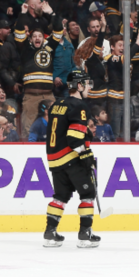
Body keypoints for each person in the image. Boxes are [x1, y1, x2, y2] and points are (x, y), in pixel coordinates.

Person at [43, 70, 101, 249]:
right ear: (79, 85)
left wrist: (87, 132)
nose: (89, 87)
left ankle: (49, 234)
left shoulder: (56, 104)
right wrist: (86, 156)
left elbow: (62, 129)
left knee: (60, 196)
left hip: (54, 158)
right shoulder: (79, 106)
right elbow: (74, 138)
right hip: (70, 157)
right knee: (88, 194)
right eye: (87, 83)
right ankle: (85, 234)